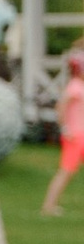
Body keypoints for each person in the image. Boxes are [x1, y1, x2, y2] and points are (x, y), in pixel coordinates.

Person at [43, 41, 84, 218]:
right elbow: (61, 106)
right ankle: (49, 205)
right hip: (75, 135)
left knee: (68, 172)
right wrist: (64, 127)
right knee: (66, 171)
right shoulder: (74, 86)